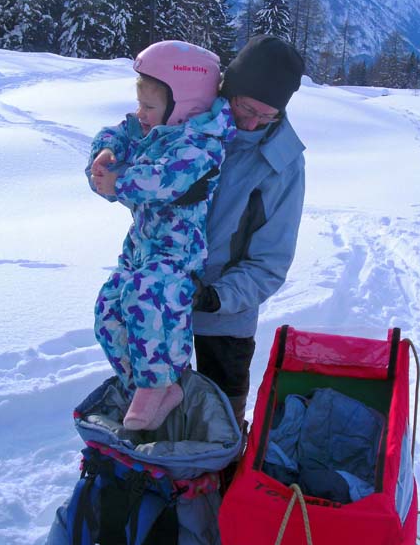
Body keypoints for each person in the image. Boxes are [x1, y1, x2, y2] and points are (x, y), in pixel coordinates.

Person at [86, 40, 236, 430]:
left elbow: (165, 180)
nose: (141, 114)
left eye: (149, 107)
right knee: (107, 310)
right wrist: (104, 155)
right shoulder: (154, 124)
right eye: (141, 105)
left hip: (176, 255)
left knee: (147, 296)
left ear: (184, 104)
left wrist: (119, 182)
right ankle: (139, 384)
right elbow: (120, 131)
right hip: (139, 249)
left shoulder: (202, 144)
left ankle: (161, 385)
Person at [192, 34, 306, 427]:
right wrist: (106, 174)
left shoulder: (283, 163)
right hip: (162, 303)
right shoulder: (192, 119)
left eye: (268, 115)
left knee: (220, 421)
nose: (253, 122)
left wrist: (214, 298)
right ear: (229, 88)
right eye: (247, 108)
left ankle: (221, 484)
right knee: (160, 409)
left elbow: (270, 261)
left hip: (227, 318)